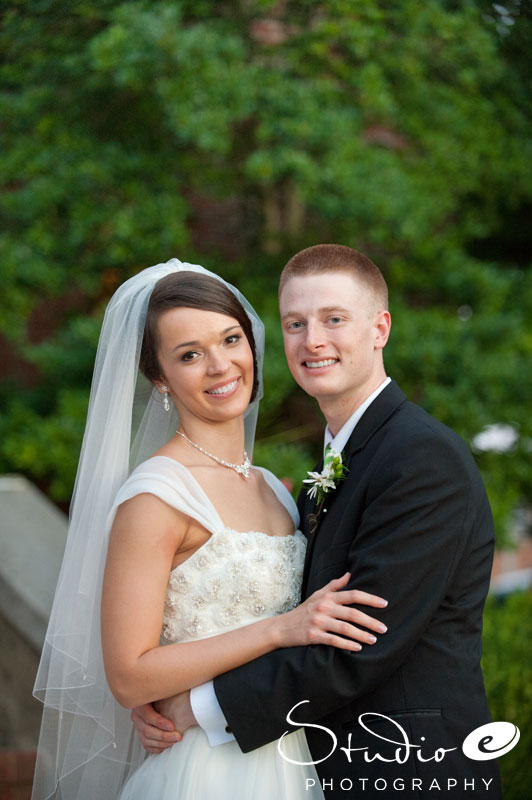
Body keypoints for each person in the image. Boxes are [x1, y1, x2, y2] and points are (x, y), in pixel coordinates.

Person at [133, 245, 503, 799]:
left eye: (334, 319)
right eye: (295, 324)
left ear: (380, 328)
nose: (313, 341)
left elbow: (358, 645)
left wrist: (194, 704)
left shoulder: (421, 459)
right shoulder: (331, 464)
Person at [31, 257, 388, 800]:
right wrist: (281, 629)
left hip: (291, 754)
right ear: (160, 378)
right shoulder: (155, 497)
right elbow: (129, 674)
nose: (220, 366)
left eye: (230, 340)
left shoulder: (272, 486)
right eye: (190, 355)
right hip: (206, 772)